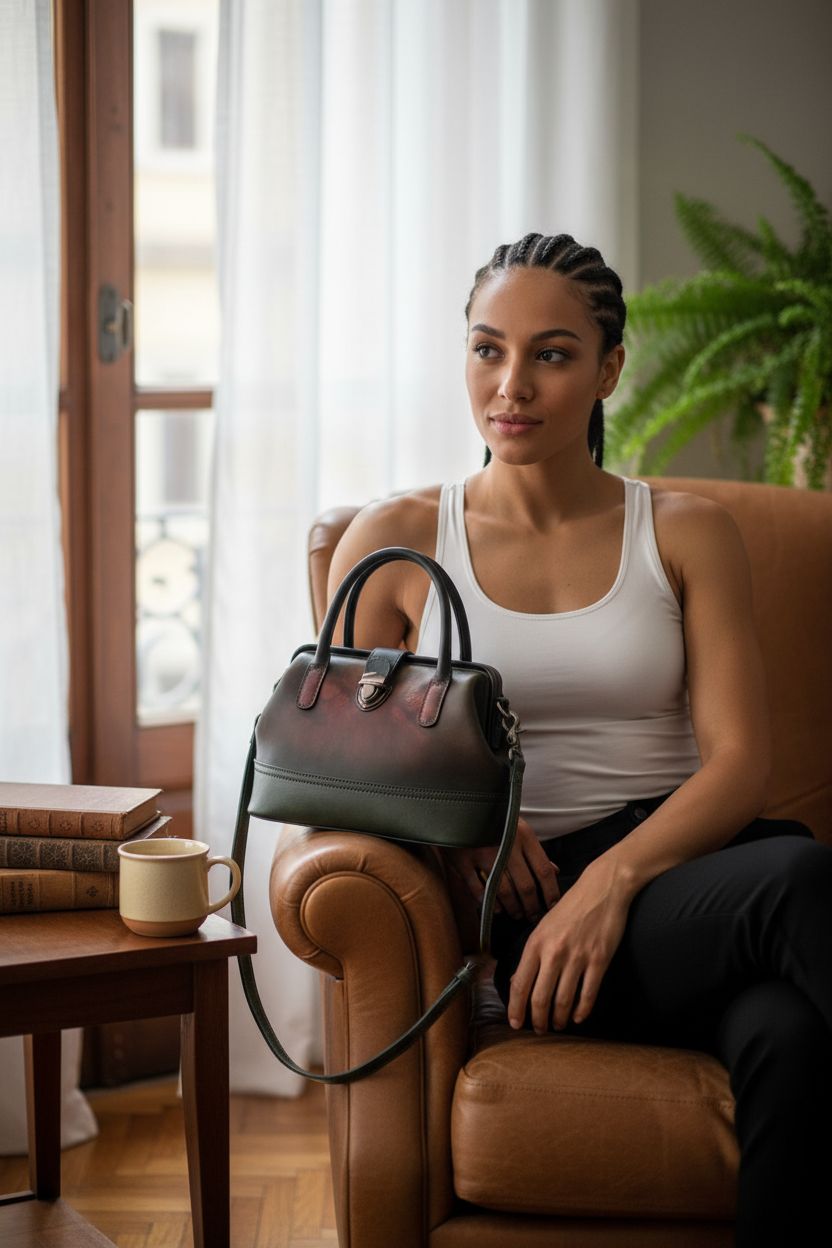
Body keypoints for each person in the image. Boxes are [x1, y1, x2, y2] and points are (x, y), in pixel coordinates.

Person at [326, 231, 831, 1247]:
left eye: (552, 354)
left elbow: (739, 763)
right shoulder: (398, 541)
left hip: (689, 871)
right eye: (486, 349)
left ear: (607, 370)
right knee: (807, 883)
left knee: (789, 1037)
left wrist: (616, 886)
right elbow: (333, 759)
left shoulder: (684, 529)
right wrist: (467, 814)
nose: (511, 384)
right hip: (531, 908)